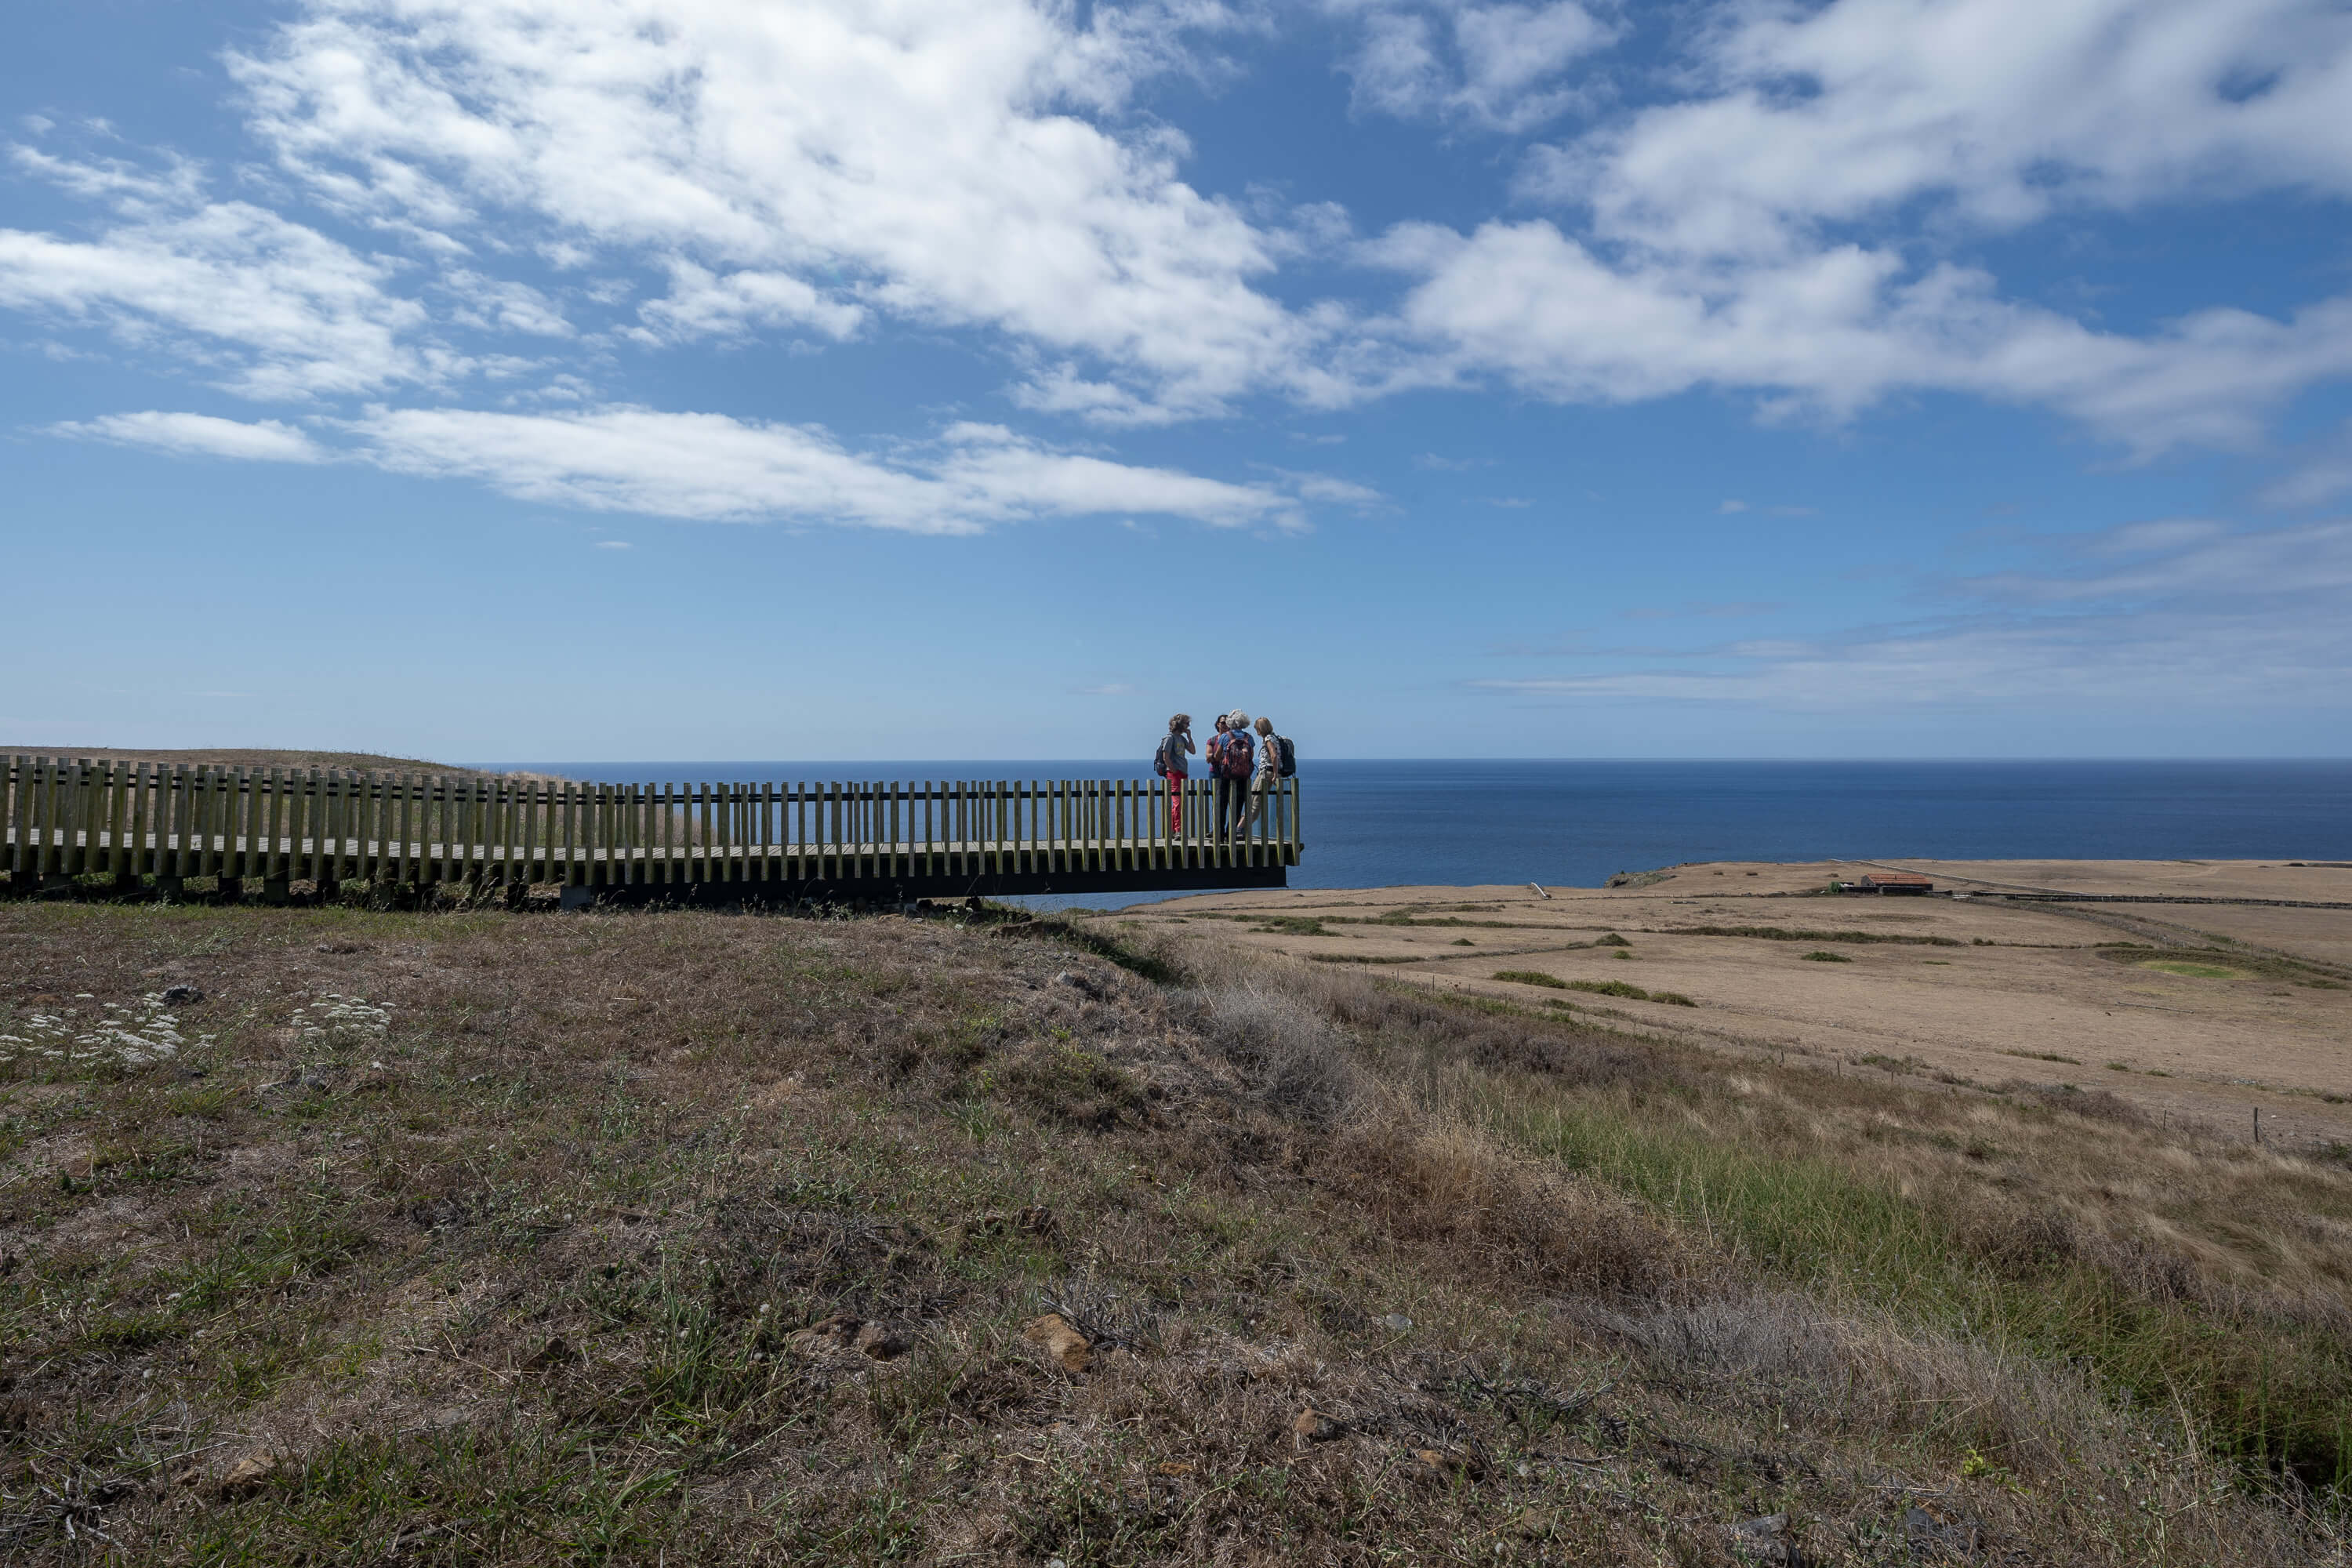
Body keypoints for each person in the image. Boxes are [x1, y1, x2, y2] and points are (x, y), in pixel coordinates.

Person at [1236, 714, 1282, 839]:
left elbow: (1274, 756)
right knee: (1252, 800)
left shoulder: (1268, 739)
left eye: (1257, 729)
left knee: (1255, 802)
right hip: (1265, 772)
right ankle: (1241, 828)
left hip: (1267, 773)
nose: (1257, 731)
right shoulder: (1273, 737)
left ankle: (1239, 829)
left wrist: (1275, 775)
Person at [1214, 709, 1254, 838]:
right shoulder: (1249, 737)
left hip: (1227, 774)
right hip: (1243, 776)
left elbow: (1217, 755)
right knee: (1237, 805)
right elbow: (1251, 757)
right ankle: (1231, 832)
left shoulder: (1226, 736)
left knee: (1222, 804)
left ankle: (1220, 834)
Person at [1153, 713, 1194, 836]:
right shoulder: (1169, 738)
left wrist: (1189, 737)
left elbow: (1192, 751)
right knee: (1177, 802)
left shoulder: (1181, 738)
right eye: (1187, 723)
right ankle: (1178, 830)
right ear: (1180, 724)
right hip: (1174, 773)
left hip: (1183, 772)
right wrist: (1173, 770)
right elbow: (1166, 757)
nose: (1189, 725)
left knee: (1179, 803)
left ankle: (1172, 829)